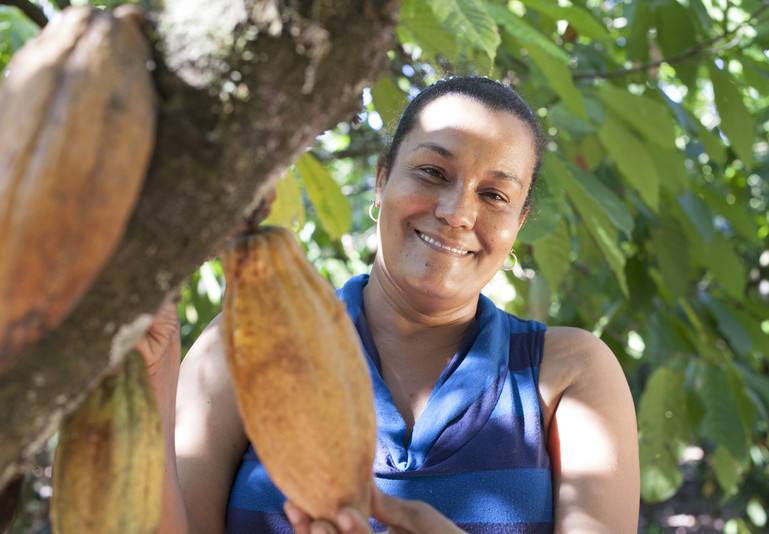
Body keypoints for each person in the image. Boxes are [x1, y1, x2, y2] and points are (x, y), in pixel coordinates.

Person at [138, 75, 640, 534]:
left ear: (520, 223)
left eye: (494, 195)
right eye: (432, 172)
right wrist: (155, 373)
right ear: (382, 180)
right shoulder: (245, 347)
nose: (457, 212)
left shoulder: (570, 372)